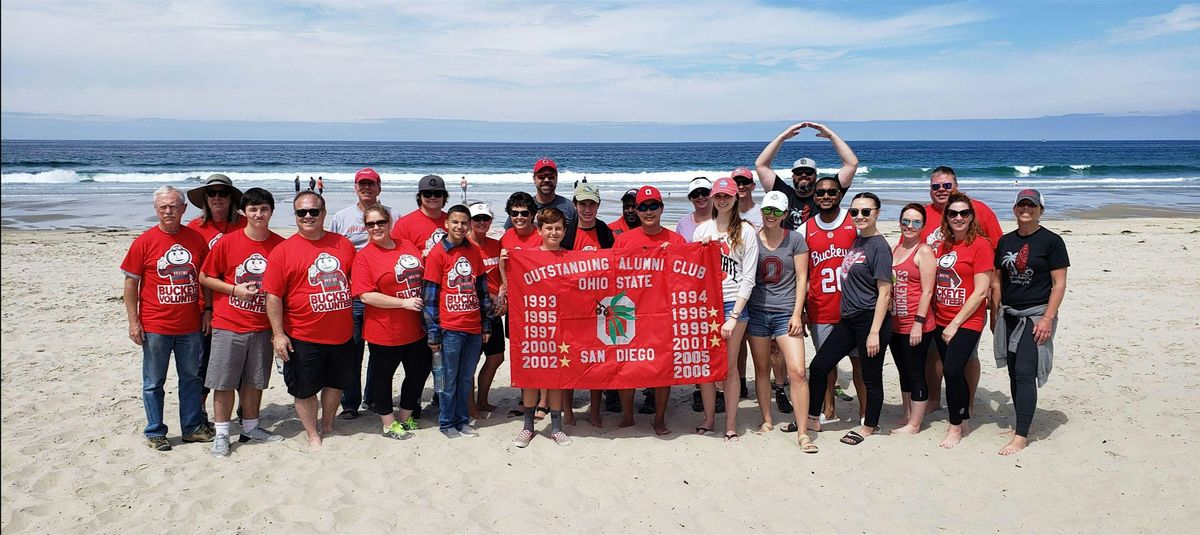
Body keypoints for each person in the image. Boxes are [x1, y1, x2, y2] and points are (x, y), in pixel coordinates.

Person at [121, 185, 213, 451]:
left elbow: (205, 279)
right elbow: (131, 284)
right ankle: (155, 431)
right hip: (155, 327)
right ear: (156, 209)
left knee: (191, 379)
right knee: (153, 382)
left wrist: (207, 309)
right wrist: (133, 321)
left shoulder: (196, 239)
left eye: (174, 206)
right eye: (163, 207)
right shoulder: (144, 242)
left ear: (184, 209)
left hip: (190, 326)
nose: (169, 211)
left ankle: (192, 428)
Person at [263, 191, 356, 451]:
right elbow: (273, 296)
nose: (307, 216)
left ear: (323, 214)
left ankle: (328, 424)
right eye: (301, 212)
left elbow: (356, 281)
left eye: (313, 211)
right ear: (295, 216)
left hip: (341, 334)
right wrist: (278, 334)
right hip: (303, 335)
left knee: (336, 384)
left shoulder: (343, 244)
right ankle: (313, 433)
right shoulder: (283, 251)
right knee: (304, 390)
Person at [198, 187, 286, 456]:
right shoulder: (227, 242)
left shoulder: (281, 245)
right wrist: (235, 290)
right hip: (229, 324)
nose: (258, 214)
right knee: (223, 382)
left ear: (271, 212)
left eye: (264, 209)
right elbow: (205, 277)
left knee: (254, 381)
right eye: (253, 209)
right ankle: (222, 434)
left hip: (262, 326)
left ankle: (251, 426)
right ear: (243, 212)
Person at [806, 192, 893, 447]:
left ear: (877, 212)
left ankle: (869, 425)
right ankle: (812, 417)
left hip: (870, 320)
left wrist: (875, 331)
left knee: (870, 376)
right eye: (854, 212)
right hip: (849, 320)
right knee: (820, 366)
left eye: (866, 211)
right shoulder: (857, 242)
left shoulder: (879, 246)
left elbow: (885, 291)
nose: (859, 216)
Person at [990, 189, 1069, 455]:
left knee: (1025, 373)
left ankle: (1021, 436)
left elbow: (1059, 284)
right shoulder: (1005, 241)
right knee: (1013, 371)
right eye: (1022, 204)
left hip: (1035, 316)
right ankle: (1020, 424)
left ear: (1040, 210)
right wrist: (995, 312)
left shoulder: (1052, 241)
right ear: (1014, 209)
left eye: (1032, 205)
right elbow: (998, 279)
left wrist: (1048, 317)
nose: (1026, 209)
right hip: (1009, 314)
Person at [922, 166, 1003, 414]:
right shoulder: (924, 214)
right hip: (934, 300)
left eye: (947, 185)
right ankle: (935, 399)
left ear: (956, 186)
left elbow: (997, 252)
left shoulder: (979, 210)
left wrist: (993, 291)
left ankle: (966, 402)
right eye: (936, 186)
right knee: (933, 354)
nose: (942, 190)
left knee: (967, 355)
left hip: (969, 301)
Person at [350, 204, 430, 441]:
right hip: (384, 331)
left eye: (380, 222)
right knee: (382, 378)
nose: (376, 228)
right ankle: (388, 423)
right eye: (370, 224)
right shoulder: (364, 257)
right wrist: (402, 303)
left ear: (389, 222)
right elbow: (366, 295)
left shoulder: (407, 245)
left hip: (417, 328)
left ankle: (405, 417)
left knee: (418, 373)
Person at [612, 186, 685, 436]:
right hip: (631, 312)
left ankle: (659, 418)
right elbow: (612, 276)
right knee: (627, 365)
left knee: (663, 367)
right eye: (642, 207)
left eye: (653, 206)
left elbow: (687, 275)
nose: (648, 211)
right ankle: (628, 416)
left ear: (662, 209)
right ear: (636, 210)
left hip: (663, 313)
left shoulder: (675, 240)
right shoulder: (624, 240)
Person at [746, 191, 815, 451]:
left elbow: (801, 279)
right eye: (767, 210)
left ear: (785, 214)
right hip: (757, 313)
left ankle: (803, 432)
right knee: (762, 370)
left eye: (777, 211)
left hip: (786, 313)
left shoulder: (795, 240)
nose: (771, 215)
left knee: (797, 371)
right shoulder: (751, 240)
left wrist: (798, 314)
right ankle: (766, 419)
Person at [692, 177, 758, 442]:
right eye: (718, 196)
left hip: (733, 304)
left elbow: (749, 278)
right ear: (712, 198)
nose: (722, 200)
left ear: (736, 198)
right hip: (706, 305)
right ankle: (709, 418)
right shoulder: (702, 231)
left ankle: (730, 422)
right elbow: (693, 271)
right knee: (707, 366)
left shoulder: (746, 231)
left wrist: (733, 316)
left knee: (730, 368)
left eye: (727, 196)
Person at [930, 191, 994, 449]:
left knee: (953, 370)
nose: (958, 217)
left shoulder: (980, 245)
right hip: (940, 317)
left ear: (971, 217)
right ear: (946, 217)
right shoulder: (943, 245)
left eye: (963, 213)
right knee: (951, 371)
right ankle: (964, 418)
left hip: (966, 321)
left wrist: (956, 323)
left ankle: (955, 426)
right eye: (953, 213)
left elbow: (980, 291)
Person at [800, 176, 867, 424]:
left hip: (854, 309)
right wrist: (803, 309)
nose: (826, 196)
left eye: (831, 192)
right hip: (821, 308)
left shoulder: (855, 224)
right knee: (825, 365)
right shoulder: (805, 228)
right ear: (814, 197)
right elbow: (803, 274)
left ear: (840, 195)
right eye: (820, 193)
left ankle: (864, 412)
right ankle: (829, 410)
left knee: (860, 365)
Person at [423, 205, 492, 439]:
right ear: (447, 224)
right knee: (448, 379)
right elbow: (430, 297)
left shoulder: (473, 251)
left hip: (473, 328)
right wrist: (433, 332)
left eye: (464, 223)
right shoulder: (437, 254)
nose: (460, 227)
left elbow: (482, 291)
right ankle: (446, 423)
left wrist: (486, 325)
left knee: (465, 378)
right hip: (449, 329)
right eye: (455, 222)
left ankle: (462, 421)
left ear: (469, 225)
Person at [185, 174, 246, 429]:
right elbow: (194, 271)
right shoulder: (194, 228)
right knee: (204, 363)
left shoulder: (244, 224)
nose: (218, 198)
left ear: (231, 198)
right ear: (205, 199)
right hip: (203, 308)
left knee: (242, 365)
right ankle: (199, 414)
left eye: (224, 193)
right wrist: (207, 309)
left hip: (240, 308)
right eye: (213, 194)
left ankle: (246, 410)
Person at [329, 167, 391, 420]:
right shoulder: (342, 217)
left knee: (379, 352)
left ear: (379, 187)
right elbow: (332, 253)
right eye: (362, 184)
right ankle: (350, 403)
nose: (366, 188)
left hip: (382, 297)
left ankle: (374, 398)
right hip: (352, 297)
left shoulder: (390, 215)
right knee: (352, 351)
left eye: (371, 184)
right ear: (355, 187)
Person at [511, 207, 575, 447]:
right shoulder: (526, 257)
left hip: (562, 328)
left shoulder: (570, 257)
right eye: (549, 228)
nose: (554, 232)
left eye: (558, 228)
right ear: (539, 230)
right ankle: (528, 427)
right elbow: (513, 286)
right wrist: (502, 265)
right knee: (531, 376)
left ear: (564, 231)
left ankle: (556, 428)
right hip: (533, 325)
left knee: (556, 377)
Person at [560, 182, 619, 427]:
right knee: (569, 362)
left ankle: (595, 412)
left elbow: (617, 265)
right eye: (582, 204)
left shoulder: (605, 231)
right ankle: (569, 413)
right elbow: (554, 264)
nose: (587, 209)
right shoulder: (567, 231)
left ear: (598, 206)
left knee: (598, 362)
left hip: (600, 309)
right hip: (571, 309)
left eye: (591, 204)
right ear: (575, 205)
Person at [754, 121, 859, 230]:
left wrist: (831, 136)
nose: (803, 175)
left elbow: (851, 164)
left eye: (808, 172)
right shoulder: (784, 194)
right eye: (799, 172)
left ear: (816, 176)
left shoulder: (825, 196)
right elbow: (761, 165)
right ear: (792, 176)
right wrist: (782, 137)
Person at [888, 203, 937, 435]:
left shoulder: (924, 251)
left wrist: (918, 323)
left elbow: (927, 291)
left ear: (923, 226)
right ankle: (907, 414)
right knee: (903, 370)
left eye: (916, 222)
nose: (910, 226)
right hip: (895, 323)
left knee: (916, 372)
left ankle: (915, 424)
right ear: (899, 222)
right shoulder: (896, 249)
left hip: (916, 325)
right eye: (906, 221)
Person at [498, 192, 546, 418]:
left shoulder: (541, 236)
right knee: (522, 352)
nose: (519, 217)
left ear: (533, 215)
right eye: (514, 213)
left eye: (524, 213)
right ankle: (525, 397)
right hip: (517, 307)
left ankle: (544, 401)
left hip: (541, 304)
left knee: (544, 351)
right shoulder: (506, 237)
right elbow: (505, 273)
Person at [466, 202, 505, 420]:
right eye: (477, 219)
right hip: (473, 309)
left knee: (496, 357)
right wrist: (489, 297)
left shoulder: (495, 245)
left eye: (485, 219)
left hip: (494, 310)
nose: (481, 223)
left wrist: (502, 294)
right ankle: (471, 407)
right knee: (471, 360)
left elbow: (502, 274)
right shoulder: (465, 246)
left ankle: (483, 400)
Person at [504, 158, 576, 229]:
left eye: (551, 176)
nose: (546, 180)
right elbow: (509, 232)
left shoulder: (568, 206)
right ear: (534, 179)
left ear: (556, 178)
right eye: (541, 176)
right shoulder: (524, 205)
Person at [391, 174, 449, 257]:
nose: (432, 197)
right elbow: (395, 255)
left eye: (438, 194)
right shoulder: (404, 225)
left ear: (444, 196)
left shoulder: (454, 222)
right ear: (420, 197)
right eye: (427, 194)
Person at [675, 177, 712, 242]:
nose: (700, 197)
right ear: (690, 198)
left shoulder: (722, 218)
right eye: (695, 194)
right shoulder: (682, 223)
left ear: (712, 193)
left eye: (705, 192)